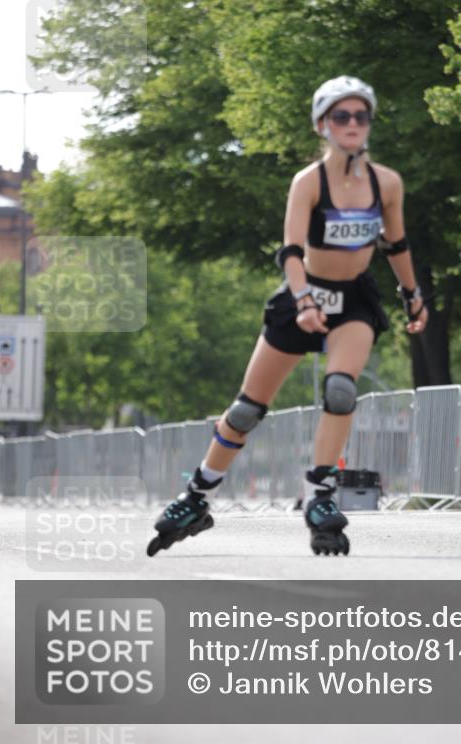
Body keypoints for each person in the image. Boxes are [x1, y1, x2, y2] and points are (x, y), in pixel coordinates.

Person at [146, 76, 428, 557]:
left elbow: (395, 244)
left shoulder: (387, 183)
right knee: (246, 410)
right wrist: (303, 300)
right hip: (304, 294)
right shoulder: (308, 182)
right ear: (323, 125)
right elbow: (291, 251)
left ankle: (320, 496)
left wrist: (412, 295)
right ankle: (197, 496)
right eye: (342, 116)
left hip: (354, 299)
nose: (353, 124)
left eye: (361, 115)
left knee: (340, 391)